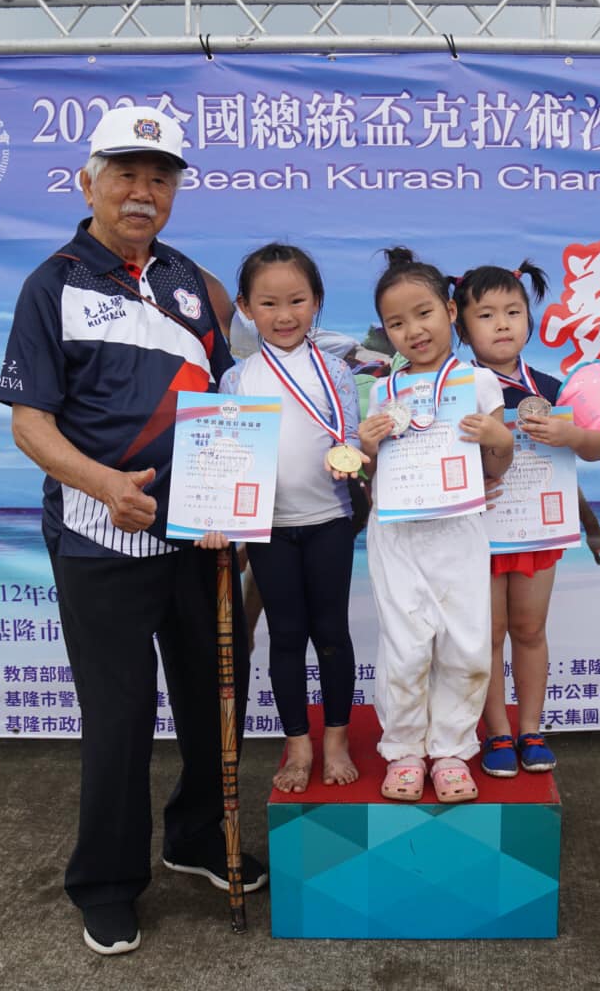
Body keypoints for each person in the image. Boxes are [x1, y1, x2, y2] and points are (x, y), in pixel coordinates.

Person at [0, 105, 265, 957]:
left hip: (199, 538)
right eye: (126, 175)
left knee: (212, 697)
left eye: (160, 177)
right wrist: (104, 484)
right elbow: (30, 423)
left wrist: (240, 500)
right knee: (117, 719)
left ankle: (195, 837)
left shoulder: (196, 283)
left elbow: (239, 392)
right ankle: (107, 883)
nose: (143, 192)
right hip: (98, 538)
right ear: (89, 182)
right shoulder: (53, 284)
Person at [357, 247, 514, 803]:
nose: (413, 331)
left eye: (423, 313)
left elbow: (496, 468)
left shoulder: (479, 383)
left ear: (450, 311)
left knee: (466, 645)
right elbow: (369, 476)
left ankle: (450, 750)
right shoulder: (382, 391)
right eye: (396, 323)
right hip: (397, 533)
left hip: (458, 530)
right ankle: (403, 750)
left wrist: (500, 439)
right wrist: (366, 448)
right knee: (405, 647)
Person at [217, 243, 363, 793]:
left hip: (330, 520)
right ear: (245, 308)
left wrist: (351, 456)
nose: (284, 315)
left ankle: (336, 739)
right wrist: (222, 522)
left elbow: (350, 436)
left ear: (317, 301)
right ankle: (298, 742)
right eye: (269, 303)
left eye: (297, 301)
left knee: (332, 633)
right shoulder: (237, 380)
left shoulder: (336, 371)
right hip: (269, 529)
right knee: (285, 636)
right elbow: (228, 458)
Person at [453, 261, 600, 776]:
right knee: (488, 632)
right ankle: (497, 731)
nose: (502, 324)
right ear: (462, 328)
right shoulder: (457, 390)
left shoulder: (551, 388)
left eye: (513, 312)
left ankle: (531, 729)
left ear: (529, 319)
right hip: (478, 532)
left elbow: (599, 449)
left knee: (529, 628)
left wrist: (574, 436)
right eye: (486, 315)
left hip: (538, 531)